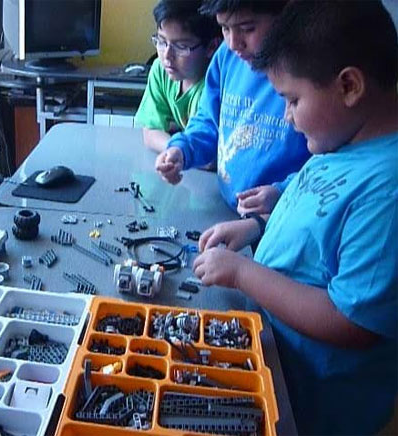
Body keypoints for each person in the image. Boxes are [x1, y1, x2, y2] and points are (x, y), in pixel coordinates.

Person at [193, 1, 398, 434]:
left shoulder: (388, 189)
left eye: (292, 100)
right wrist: (255, 228)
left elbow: (351, 322)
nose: (287, 116)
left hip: (318, 409)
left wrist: (243, 274)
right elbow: (316, 221)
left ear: (349, 86)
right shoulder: (341, 140)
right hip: (278, 364)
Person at [155, 0, 311, 215]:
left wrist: (282, 192)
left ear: (284, 16)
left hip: (282, 215)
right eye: (225, 28)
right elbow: (208, 122)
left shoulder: (306, 69)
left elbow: (326, 158)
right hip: (227, 209)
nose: (233, 43)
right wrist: (182, 149)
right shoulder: (226, 57)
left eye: (247, 29)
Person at [134, 0, 221, 153]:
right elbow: (150, 132)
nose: (167, 56)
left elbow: (209, 153)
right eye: (161, 42)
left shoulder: (215, 83)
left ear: (211, 47)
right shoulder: (161, 70)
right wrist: (176, 150)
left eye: (181, 46)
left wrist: (179, 150)